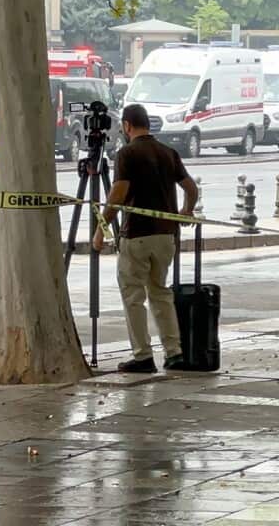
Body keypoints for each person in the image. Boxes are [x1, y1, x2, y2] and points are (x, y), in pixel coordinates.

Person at [93, 103, 198, 373]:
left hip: (137, 234)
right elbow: (190, 188)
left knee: (133, 297)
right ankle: (174, 353)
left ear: (127, 126)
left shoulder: (127, 153)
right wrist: (186, 211)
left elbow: (118, 192)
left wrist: (101, 227)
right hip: (166, 236)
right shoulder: (168, 153)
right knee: (161, 293)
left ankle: (143, 356)